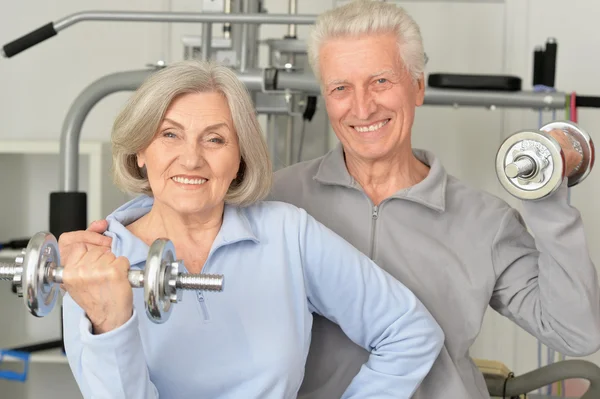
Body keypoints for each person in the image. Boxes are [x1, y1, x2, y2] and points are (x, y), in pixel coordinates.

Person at [59, 1, 600, 398]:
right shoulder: (275, 203)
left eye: (381, 80)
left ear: (417, 85)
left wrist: (549, 198)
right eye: (340, 88)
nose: (361, 106)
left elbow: (576, 333)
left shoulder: (481, 220)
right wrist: (113, 241)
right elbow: (185, 207)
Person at [59, 59, 445, 399]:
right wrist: (109, 322)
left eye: (215, 139)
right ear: (140, 151)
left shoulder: (286, 233)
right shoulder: (94, 269)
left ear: (240, 157)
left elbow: (409, 331)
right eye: (170, 134)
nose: (191, 158)